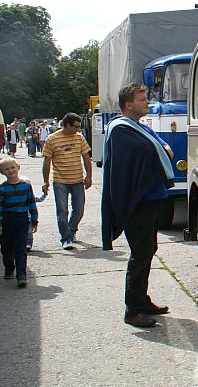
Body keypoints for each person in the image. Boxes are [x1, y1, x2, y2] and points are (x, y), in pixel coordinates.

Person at [101, 83, 175, 328]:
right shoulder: (121, 128)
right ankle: (133, 310)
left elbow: (166, 150)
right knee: (141, 254)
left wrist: (161, 150)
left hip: (151, 198)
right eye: (142, 99)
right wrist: (160, 151)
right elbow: (154, 153)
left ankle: (142, 300)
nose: (147, 102)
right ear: (128, 104)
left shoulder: (139, 127)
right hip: (137, 202)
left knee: (147, 250)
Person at [42, 112, 92, 250]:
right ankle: (66, 238)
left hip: (77, 180)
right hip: (60, 181)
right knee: (62, 211)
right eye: (76, 126)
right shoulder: (52, 139)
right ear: (67, 125)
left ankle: (71, 230)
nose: (78, 129)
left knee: (79, 209)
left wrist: (89, 176)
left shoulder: (79, 138)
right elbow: (47, 162)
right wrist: (45, 182)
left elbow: (86, 158)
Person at [0, 157, 38, 288]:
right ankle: (9, 267)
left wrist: (34, 221)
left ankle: (21, 275)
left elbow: (31, 204)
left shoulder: (26, 186)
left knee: (20, 248)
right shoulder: (2, 189)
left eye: (12, 167)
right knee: (6, 248)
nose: (10, 170)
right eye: (6, 169)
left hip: (22, 220)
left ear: (18, 167)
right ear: (2, 172)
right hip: (7, 220)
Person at [26, 187, 48, 251]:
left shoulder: (32, 199)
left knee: (29, 232)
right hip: (20, 218)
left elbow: (41, 199)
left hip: (30, 219)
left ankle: (28, 243)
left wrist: (45, 194)